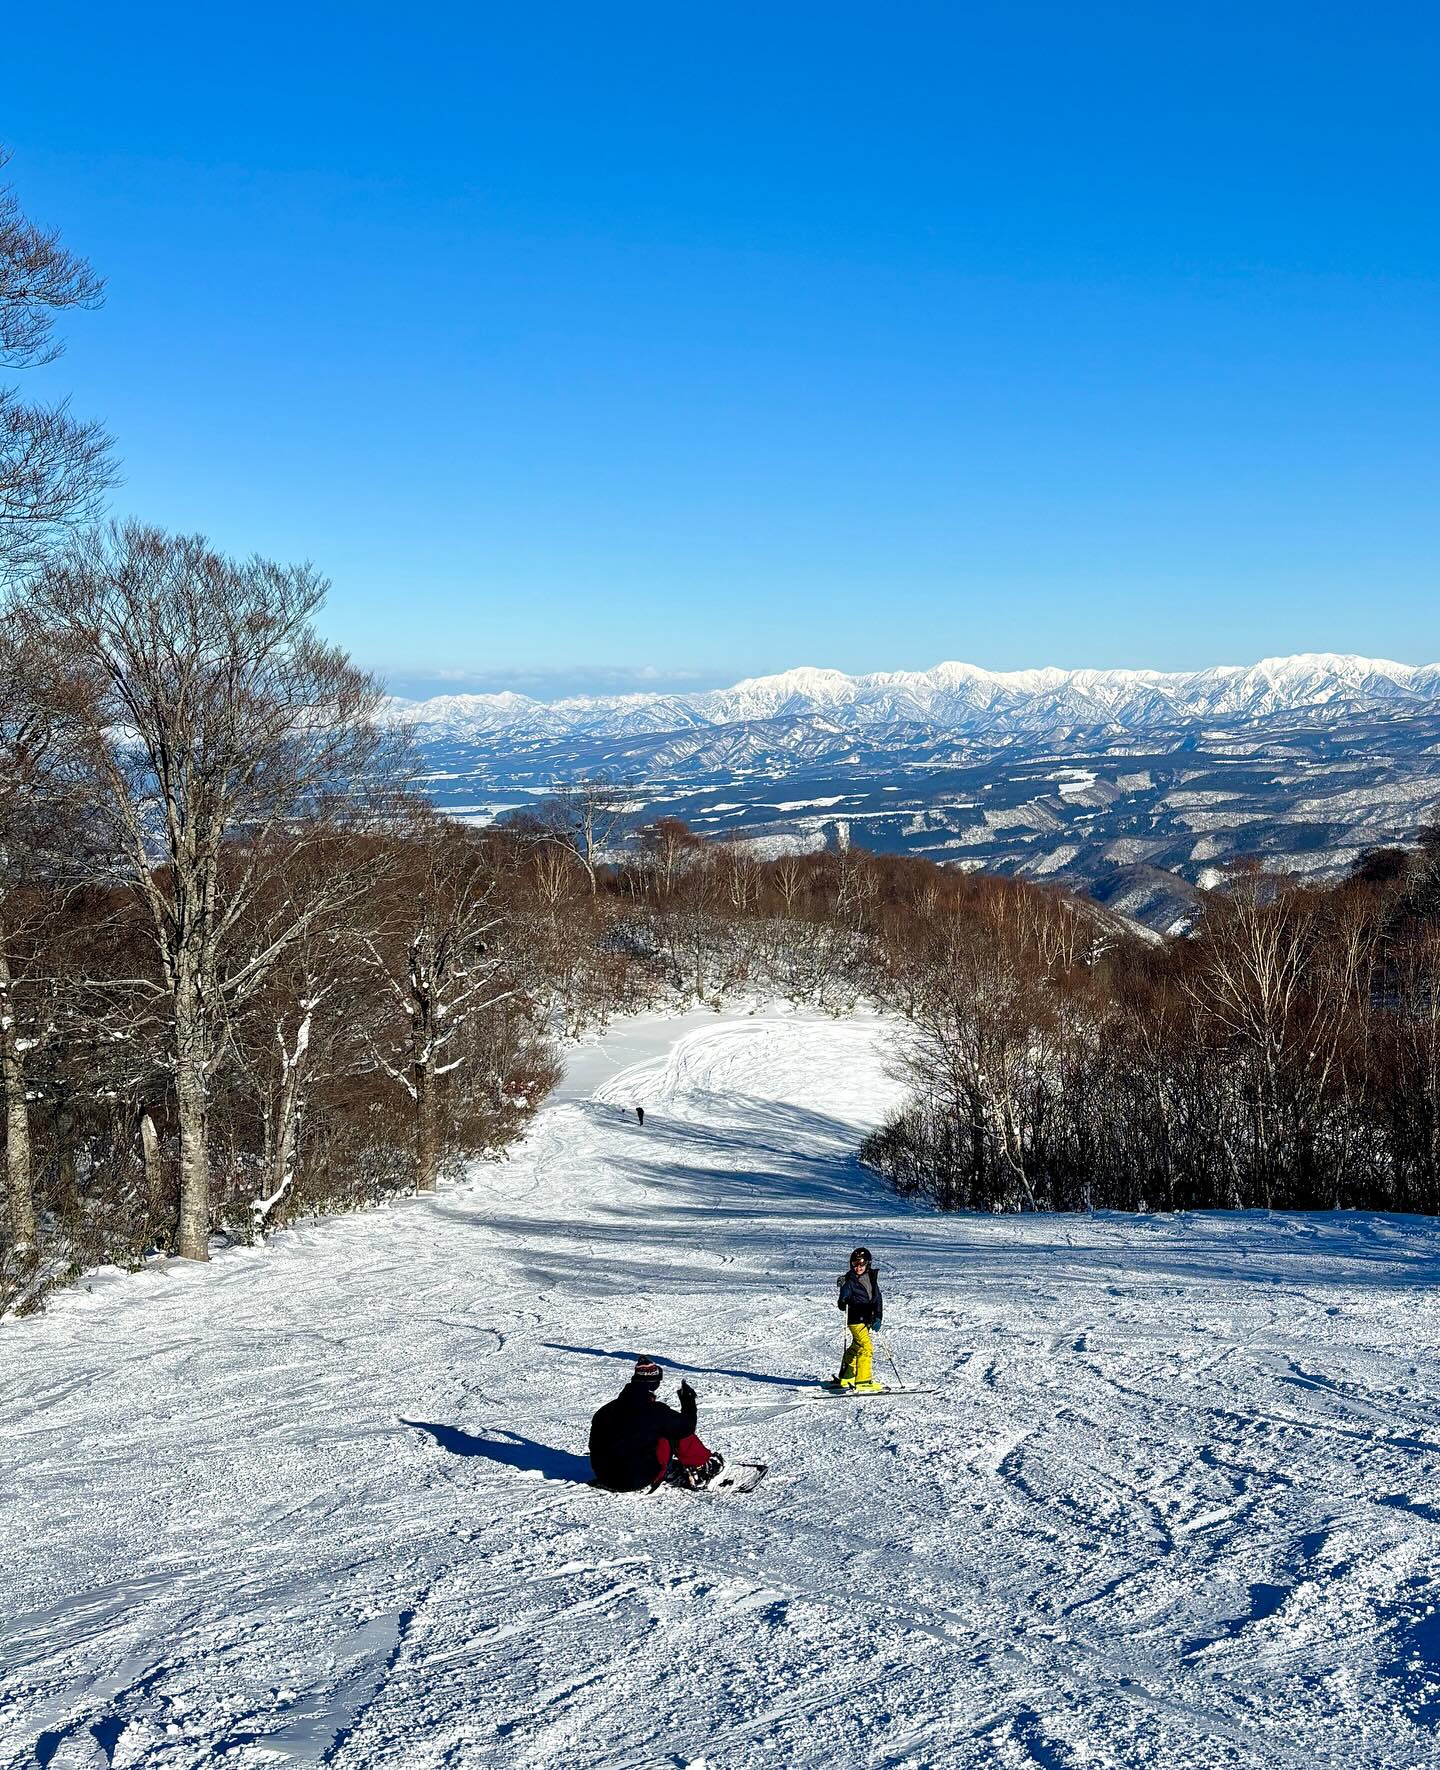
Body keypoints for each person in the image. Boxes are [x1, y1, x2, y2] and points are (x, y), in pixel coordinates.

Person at [588, 1357, 724, 1492]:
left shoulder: (605, 1411)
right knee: (673, 1430)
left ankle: (635, 1468)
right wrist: (688, 1403)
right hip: (634, 1479)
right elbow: (686, 1428)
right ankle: (702, 1467)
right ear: (655, 1383)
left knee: (639, 1434)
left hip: (605, 1476)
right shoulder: (655, 1411)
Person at [835, 1246, 883, 1390]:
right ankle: (863, 1381)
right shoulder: (849, 1281)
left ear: (868, 1263)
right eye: (855, 1264)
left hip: (867, 1320)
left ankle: (846, 1375)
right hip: (856, 1319)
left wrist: (878, 1317)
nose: (858, 1267)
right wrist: (843, 1300)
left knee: (856, 1346)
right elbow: (841, 1303)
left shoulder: (872, 1278)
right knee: (866, 1347)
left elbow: (878, 1299)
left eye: (861, 1264)